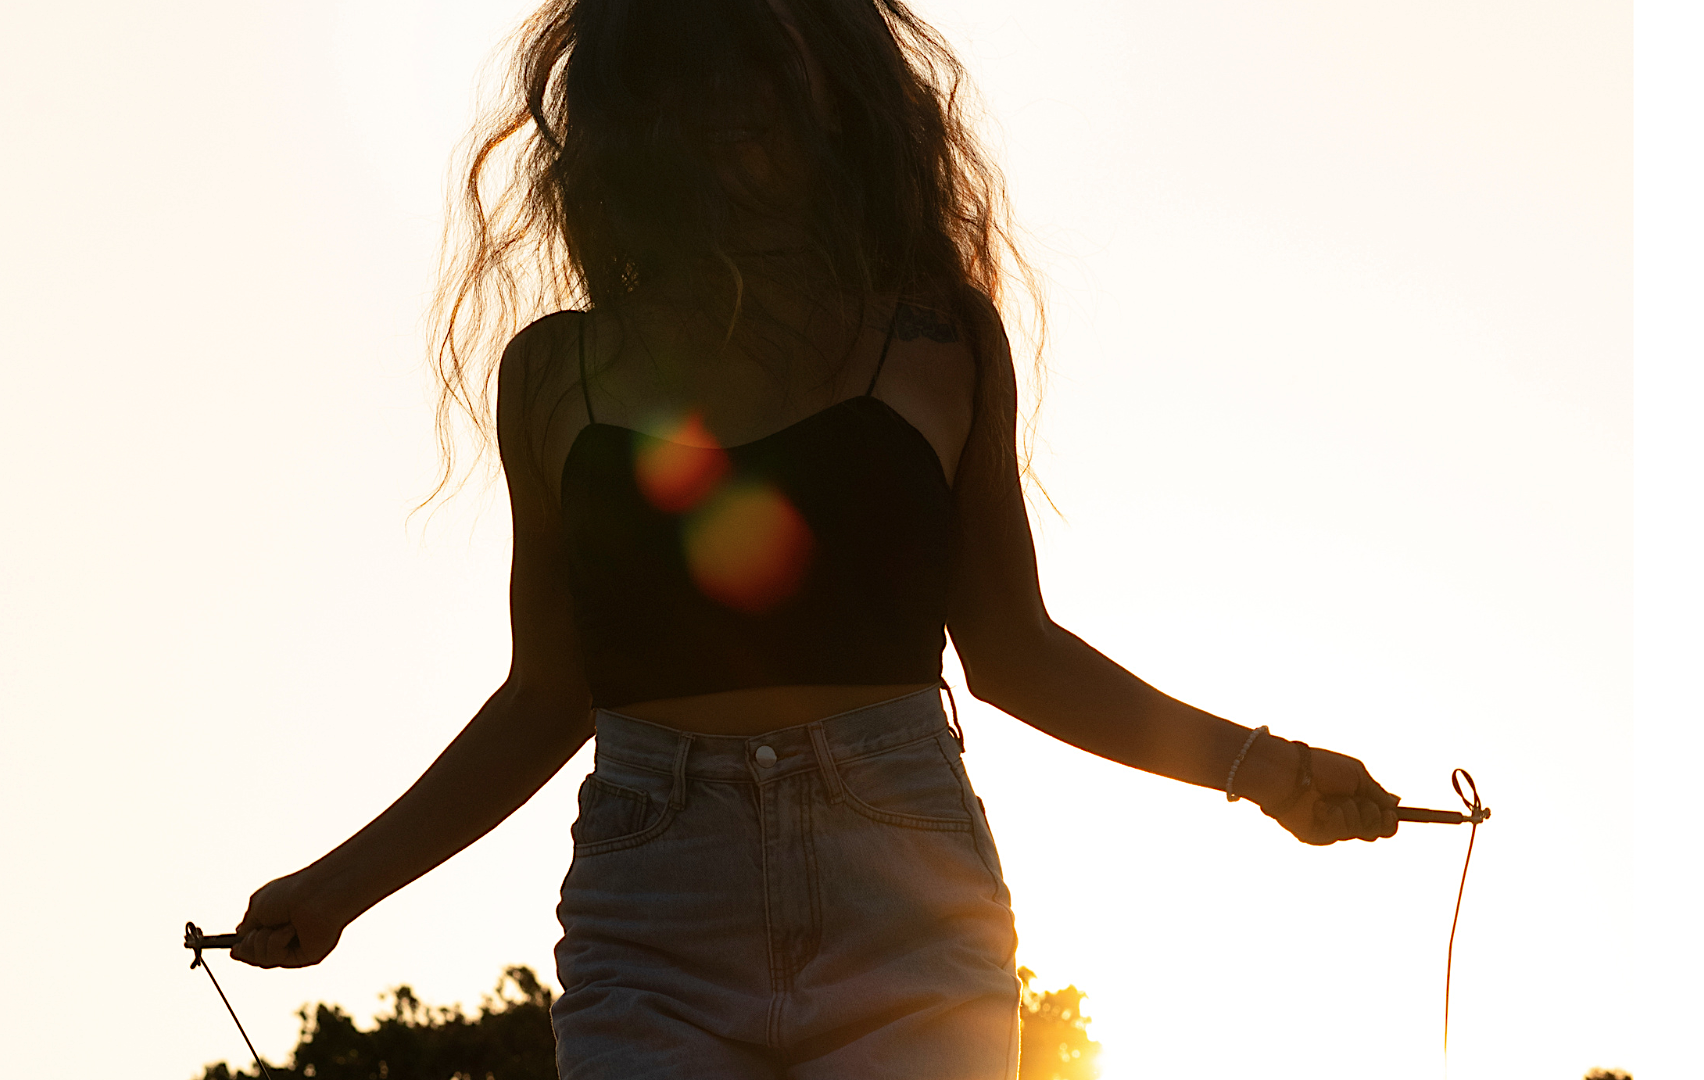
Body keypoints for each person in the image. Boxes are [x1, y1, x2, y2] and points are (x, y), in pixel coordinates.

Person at [230, 1, 1402, 1076]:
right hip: (654, 922)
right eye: (698, 85)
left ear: (837, 94)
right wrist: (336, 890)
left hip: (906, 904)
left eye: (766, 79)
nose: (738, 117)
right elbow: (545, 695)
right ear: (636, 117)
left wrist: (1266, 770)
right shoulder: (555, 373)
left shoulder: (938, 339)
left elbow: (1015, 651)